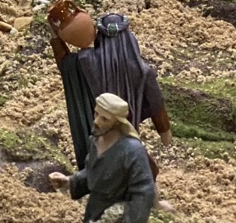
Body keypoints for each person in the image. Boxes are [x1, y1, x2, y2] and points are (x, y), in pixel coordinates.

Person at [49, 11, 172, 171]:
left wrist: (55, 35)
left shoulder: (85, 61)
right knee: (145, 172)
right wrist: (165, 133)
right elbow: (157, 108)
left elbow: (65, 64)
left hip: (98, 146)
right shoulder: (142, 71)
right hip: (125, 144)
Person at [48, 93, 156, 223]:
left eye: (105, 119)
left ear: (117, 122)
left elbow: (144, 192)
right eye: (96, 114)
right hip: (95, 209)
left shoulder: (132, 150)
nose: (97, 121)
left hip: (118, 216)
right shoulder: (95, 140)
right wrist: (70, 181)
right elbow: (95, 172)